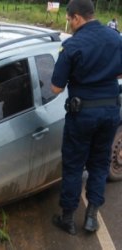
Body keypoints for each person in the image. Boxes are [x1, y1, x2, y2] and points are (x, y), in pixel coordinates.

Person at [51, 0, 122, 235]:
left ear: (77, 18)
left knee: (73, 166)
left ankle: (68, 218)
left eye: (69, 19)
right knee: (100, 163)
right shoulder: (116, 38)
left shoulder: (72, 45)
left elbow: (55, 88)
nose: (69, 24)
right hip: (110, 113)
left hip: (82, 115)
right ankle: (91, 217)